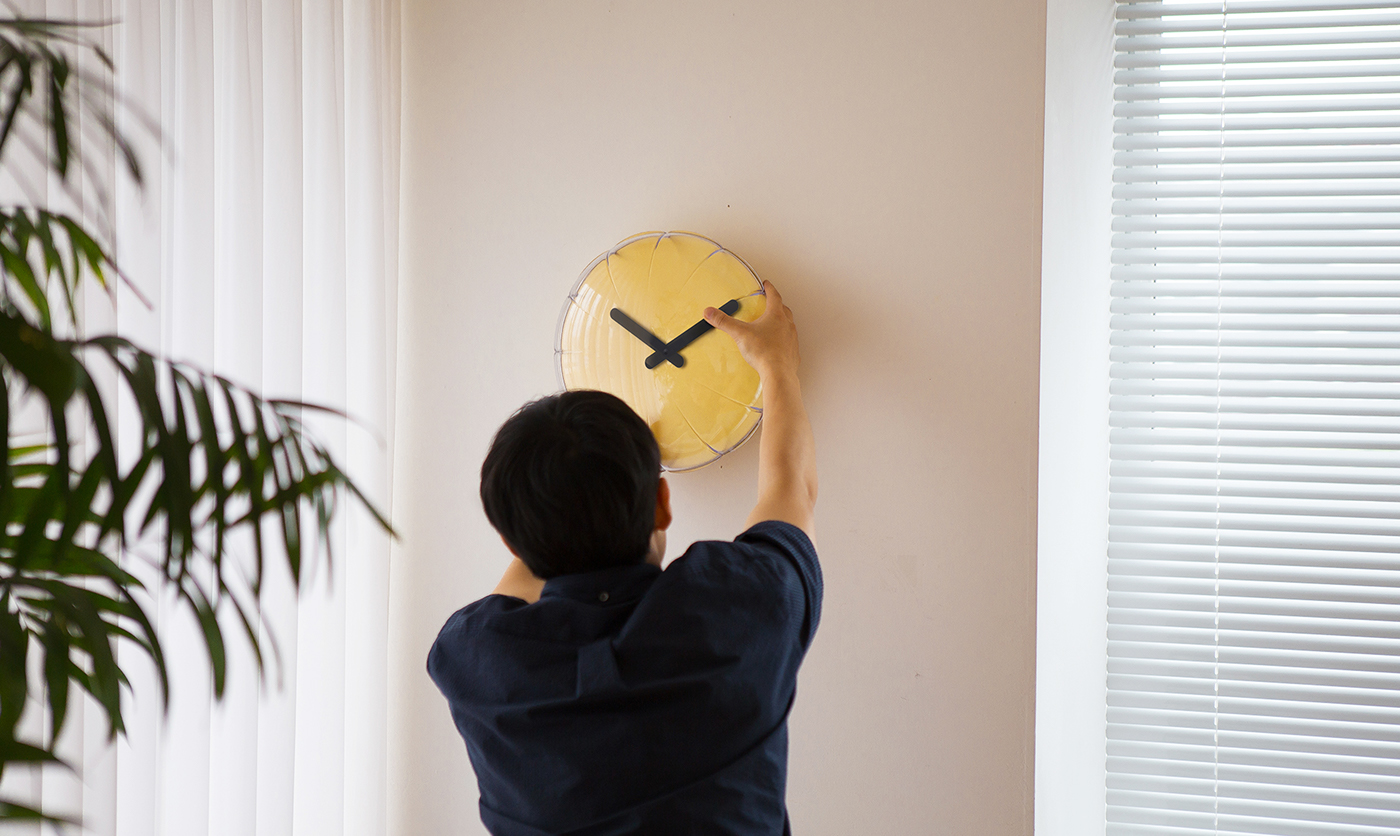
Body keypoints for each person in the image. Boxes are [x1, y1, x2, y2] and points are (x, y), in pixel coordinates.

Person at [428, 281, 819, 835]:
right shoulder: (740, 604)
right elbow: (791, 491)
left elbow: (523, 559)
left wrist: (561, 476)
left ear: (511, 543)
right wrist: (777, 367)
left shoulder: (474, 659)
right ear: (663, 503)